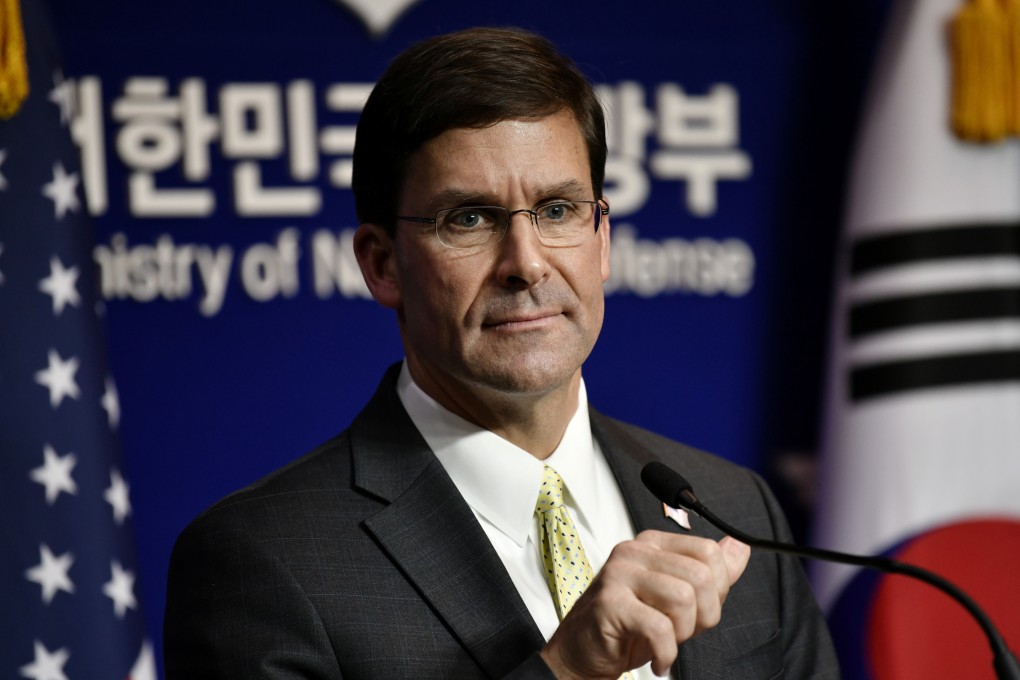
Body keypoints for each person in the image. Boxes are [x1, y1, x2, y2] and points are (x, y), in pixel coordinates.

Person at [163, 26, 838, 679]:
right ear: (381, 263)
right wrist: (565, 671)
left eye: (557, 211)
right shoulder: (265, 561)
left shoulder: (735, 513)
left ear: (601, 239)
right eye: (469, 219)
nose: (527, 264)